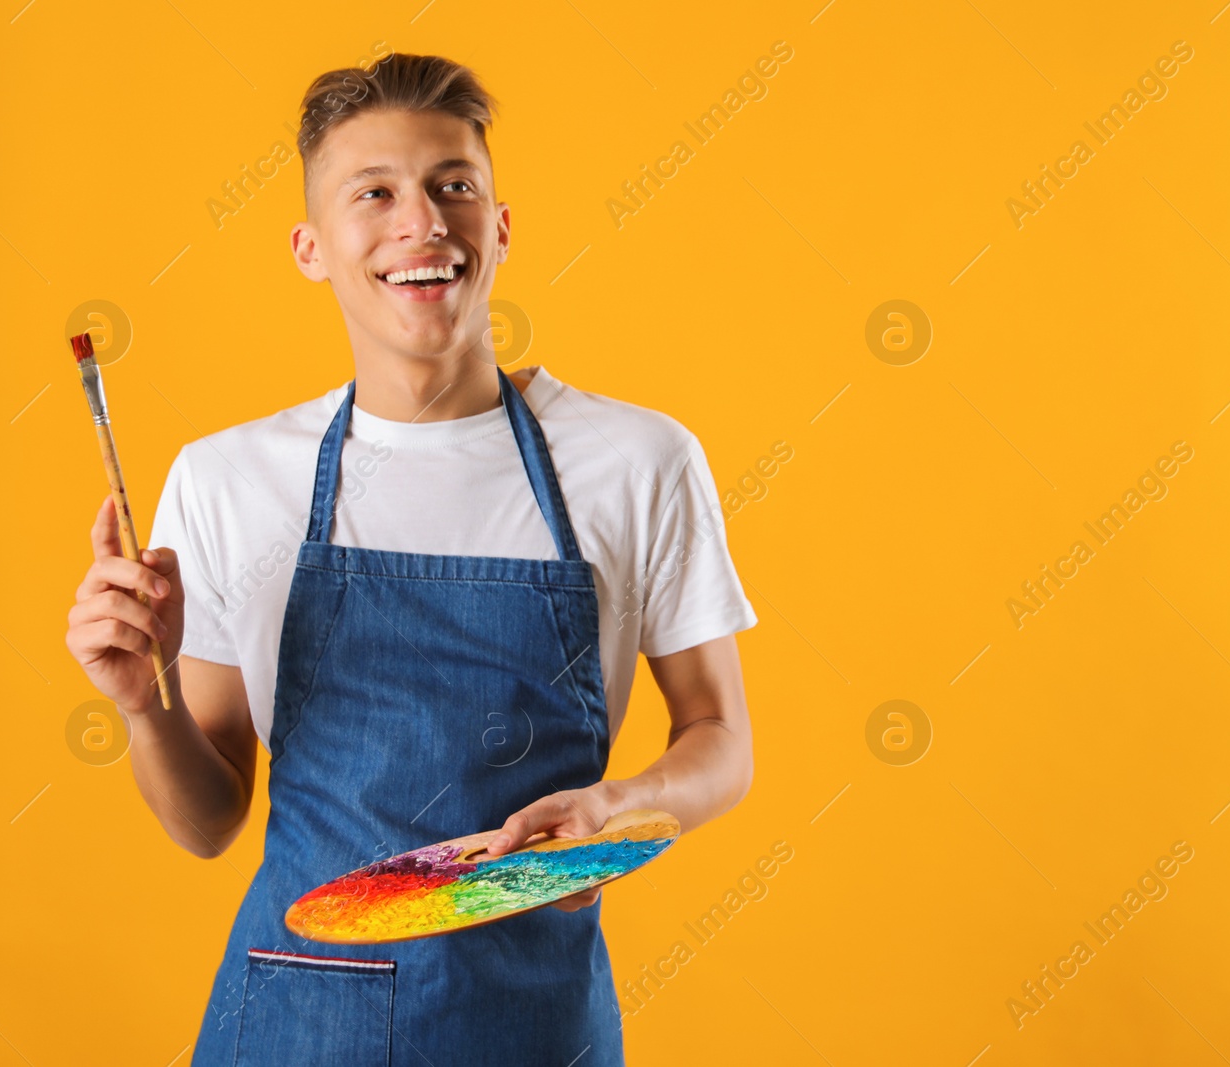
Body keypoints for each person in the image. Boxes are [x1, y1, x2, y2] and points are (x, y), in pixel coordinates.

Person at [63, 51, 757, 1066]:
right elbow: (209, 818)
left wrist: (613, 810)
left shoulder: (637, 459)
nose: (421, 221)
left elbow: (720, 736)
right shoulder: (226, 477)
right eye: (374, 193)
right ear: (310, 247)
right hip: (296, 1018)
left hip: (536, 1018)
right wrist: (143, 702)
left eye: (453, 186)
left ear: (500, 224)